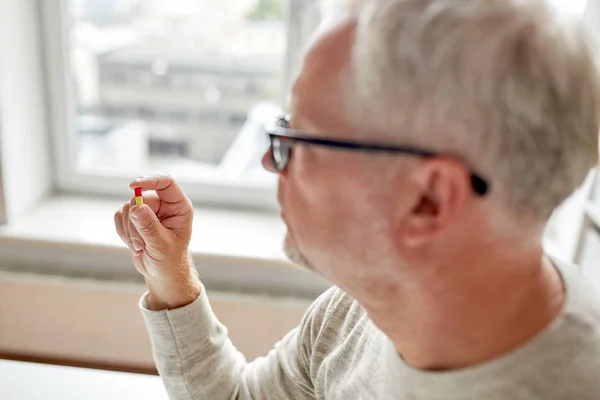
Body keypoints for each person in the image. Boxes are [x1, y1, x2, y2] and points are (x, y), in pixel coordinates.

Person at [114, 0, 600, 398]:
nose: (270, 161)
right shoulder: (357, 316)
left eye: (300, 138)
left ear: (427, 201)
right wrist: (170, 275)